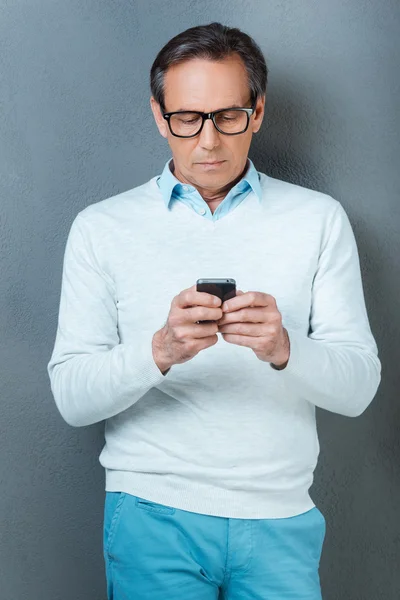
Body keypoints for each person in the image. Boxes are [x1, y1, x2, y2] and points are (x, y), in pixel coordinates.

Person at [47, 22, 381, 600]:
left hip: (280, 517)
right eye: (187, 119)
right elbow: (72, 398)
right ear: (159, 116)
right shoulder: (101, 228)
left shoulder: (318, 219)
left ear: (256, 111)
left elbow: (359, 389)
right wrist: (160, 350)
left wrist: (285, 350)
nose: (208, 141)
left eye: (228, 116)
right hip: (151, 514)